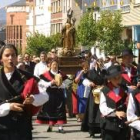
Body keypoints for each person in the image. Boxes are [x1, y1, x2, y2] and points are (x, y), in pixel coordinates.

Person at [0, 44, 49, 140]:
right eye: (7, 55)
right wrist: (8, 107)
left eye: (13, 55)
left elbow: (45, 95)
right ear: (1, 59)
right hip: (2, 128)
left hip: (22, 128)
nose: (10, 58)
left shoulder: (27, 77)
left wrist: (34, 99)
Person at [36, 59, 68, 133]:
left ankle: (60, 127)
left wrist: (60, 84)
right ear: (50, 65)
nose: (55, 66)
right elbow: (41, 83)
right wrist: (50, 83)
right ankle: (50, 126)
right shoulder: (46, 74)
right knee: (50, 110)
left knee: (60, 110)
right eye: (53, 65)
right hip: (50, 94)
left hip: (59, 94)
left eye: (56, 65)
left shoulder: (61, 74)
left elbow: (66, 84)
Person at [100, 65, 130, 140]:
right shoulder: (105, 90)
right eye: (114, 78)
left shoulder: (126, 89)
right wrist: (115, 113)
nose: (117, 80)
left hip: (123, 125)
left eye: (119, 77)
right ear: (109, 79)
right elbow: (103, 107)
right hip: (109, 126)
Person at [81, 60, 104, 137]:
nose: (100, 63)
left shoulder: (104, 72)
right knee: (92, 111)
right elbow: (84, 80)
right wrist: (89, 83)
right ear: (96, 63)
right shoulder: (91, 72)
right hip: (93, 93)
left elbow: (108, 80)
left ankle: (102, 131)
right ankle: (92, 131)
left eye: (102, 62)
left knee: (102, 111)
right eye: (99, 62)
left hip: (103, 93)